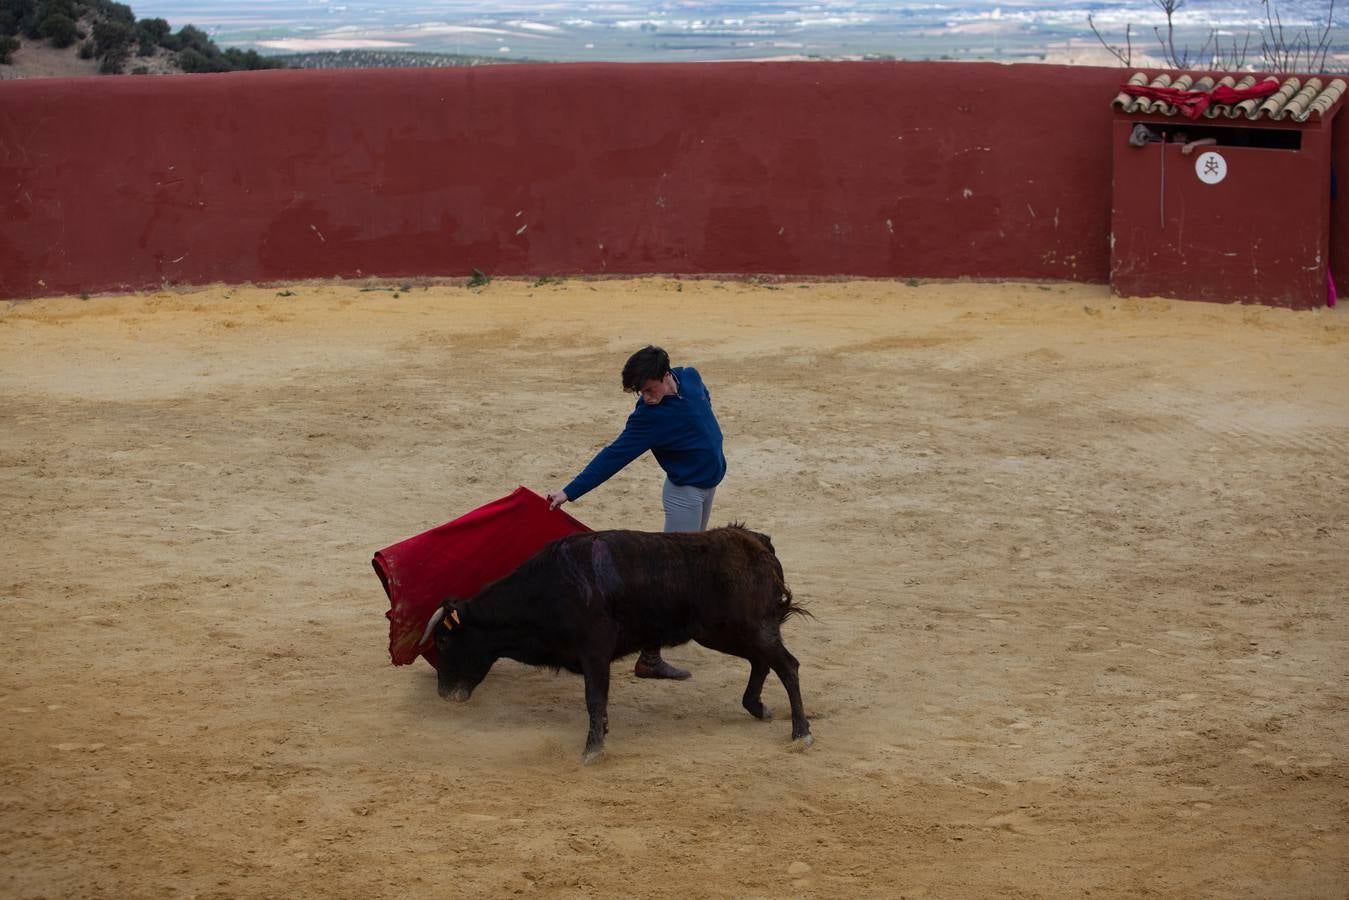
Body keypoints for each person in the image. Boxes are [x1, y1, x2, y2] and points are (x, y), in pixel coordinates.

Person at [546, 345, 726, 680]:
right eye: (640, 392)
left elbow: (704, 404)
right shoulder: (647, 418)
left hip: (706, 489)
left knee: (694, 566)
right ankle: (650, 658)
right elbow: (612, 456)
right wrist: (569, 492)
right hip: (684, 494)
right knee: (673, 578)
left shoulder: (691, 378)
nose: (645, 397)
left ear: (666, 376)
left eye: (649, 389)